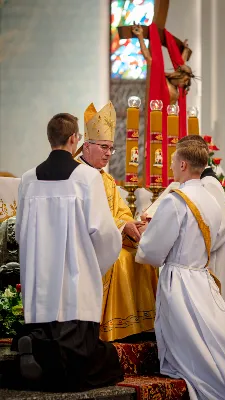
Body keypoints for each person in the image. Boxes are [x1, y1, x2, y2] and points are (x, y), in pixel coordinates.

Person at [136, 140, 225, 399]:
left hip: (180, 280)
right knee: (212, 337)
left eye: (173, 162)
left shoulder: (176, 201)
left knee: (190, 345)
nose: (172, 166)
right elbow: (218, 238)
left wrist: (142, 238)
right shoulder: (211, 198)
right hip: (203, 278)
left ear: (183, 164)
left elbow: (152, 250)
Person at [12, 113, 123, 391]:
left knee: (46, 333)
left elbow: (21, 231)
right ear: (75, 139)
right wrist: (91, 268)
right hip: (75, 289)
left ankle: (35, 346)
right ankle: (53, 361)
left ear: (50, 138)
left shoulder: (28, 179)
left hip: (40, 287)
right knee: (102, 363)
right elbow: (106, 234)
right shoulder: (86, 178)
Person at [74, 101, 158, 342]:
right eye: (104, 147)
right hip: (88, 244)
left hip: (110, 237)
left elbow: (120, 211)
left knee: (142, 256)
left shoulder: (107, 179)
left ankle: (139, 326)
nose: (109, 153)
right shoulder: (77, 175)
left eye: (111, 148)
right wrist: (122, 227)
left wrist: (132, 224)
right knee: (121, 260)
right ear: (86, 146)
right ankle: (112, 326)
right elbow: (89, 217)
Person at [179, 135, 225, 317]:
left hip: (213, 263)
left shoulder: (209, 184)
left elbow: (221, 228)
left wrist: (192, 250)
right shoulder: (202, 183)